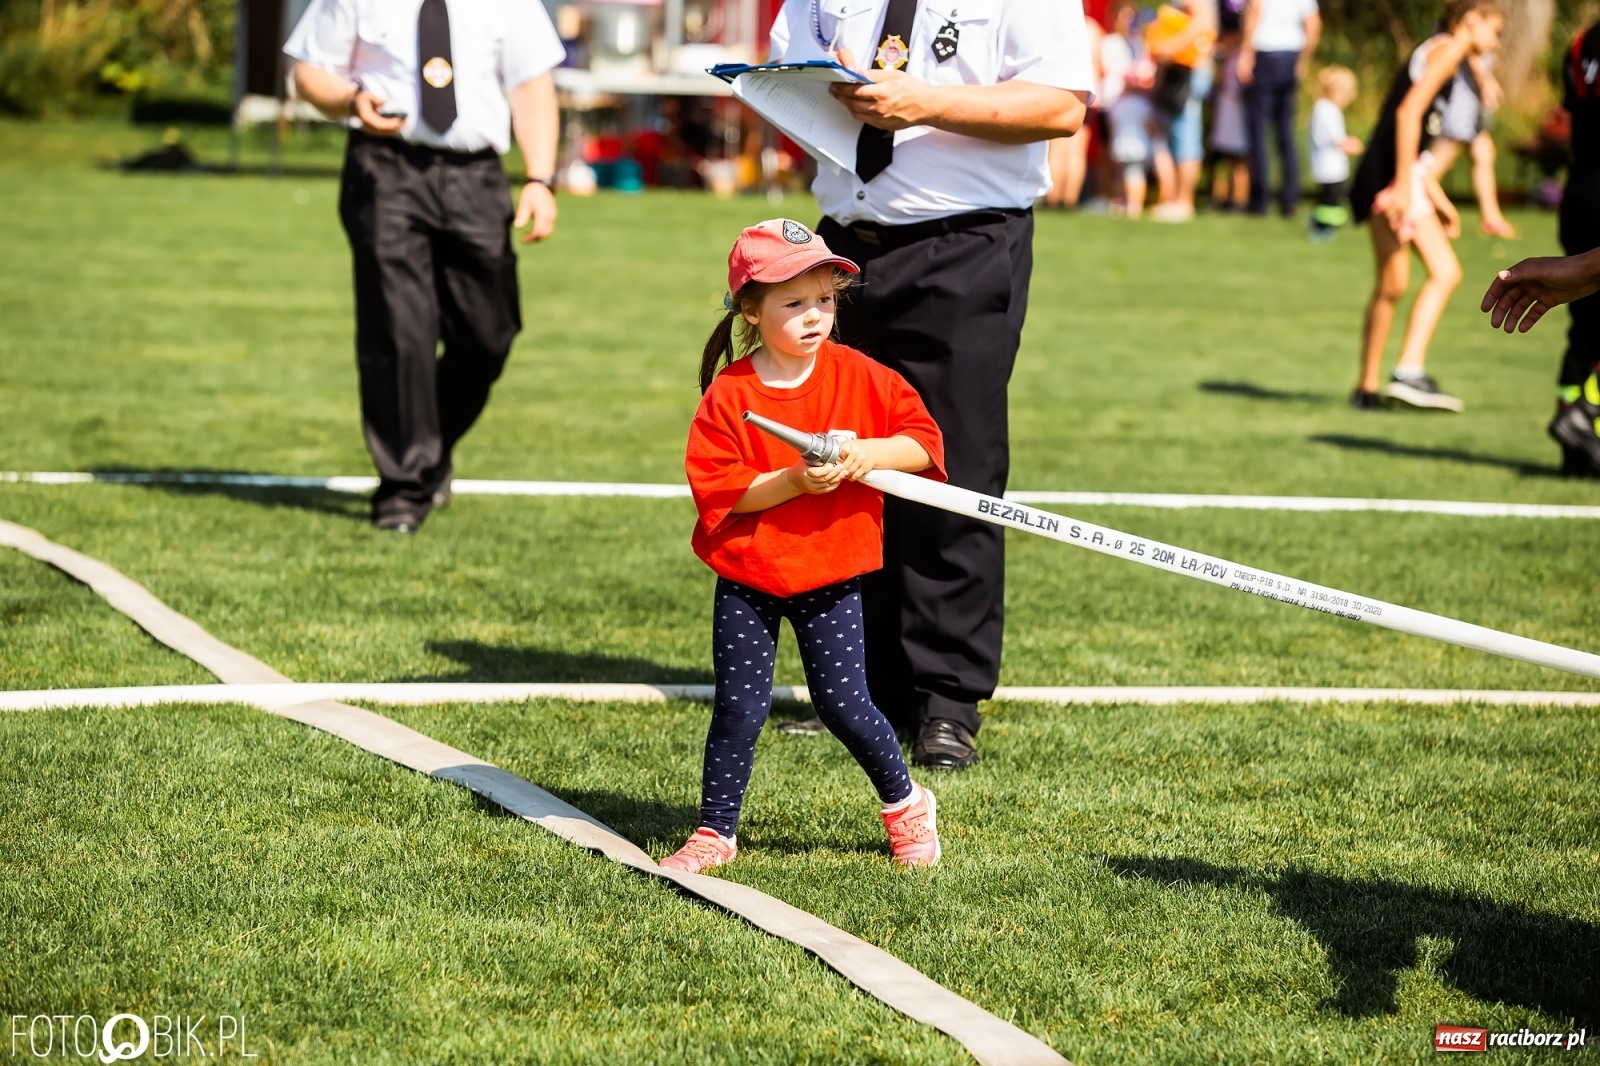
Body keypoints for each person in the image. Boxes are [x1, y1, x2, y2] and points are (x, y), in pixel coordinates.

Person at [764, 0, 1095, 769]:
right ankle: (861, 685)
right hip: (843, 247)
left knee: (951, 468)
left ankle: (948, 699)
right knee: (845, 468)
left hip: (964, 242)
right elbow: (787, 68)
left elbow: (1060, 106)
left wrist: (926, 102)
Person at [663, 220, 948, 875]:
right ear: (751, 311)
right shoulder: (731, 395)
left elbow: (923, 442)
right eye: (794, 304)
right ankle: (716, 831)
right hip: (749, 574)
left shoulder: (860, 376)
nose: (815, 315)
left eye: (825, 299)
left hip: (830, 570)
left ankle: (907, 804)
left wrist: (865, 453)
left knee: (845, 706)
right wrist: (795, 479)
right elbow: (724, 490)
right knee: (738, 707)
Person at [284, 0, 563, 533]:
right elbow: (309, 71)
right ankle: (404, 487)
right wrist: (349, 98)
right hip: (384, 167)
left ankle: (430, 446)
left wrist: (539, 179)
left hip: (477, 175)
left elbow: (531, 86)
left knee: (489, 332)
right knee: (399, 330)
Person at [1347, 0, 1502, 413]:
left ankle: (1366, 388)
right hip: (1391, 181)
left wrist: (1434, 193)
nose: (1496, 43)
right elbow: (1407, 115)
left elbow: (1420, 139)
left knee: (1395, 284)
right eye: (1495, 31)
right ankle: (1408, 372)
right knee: (1445, 272)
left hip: (1396, 177)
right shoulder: (1447, 49)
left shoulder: (1448, 55)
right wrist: (1402, 189)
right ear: (1470, 20)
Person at [1237, 0, 1320, 217]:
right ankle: (1290, 199)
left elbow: (1254, 13)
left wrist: (1245, 54)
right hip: (1290, 56)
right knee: (1285, 132)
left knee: (1259, 131)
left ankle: (1260, 198)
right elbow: (1313, 25)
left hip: (1265, 56)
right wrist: (1302, 60)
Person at [1147, 0, 1218, 222]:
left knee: (1186, 136)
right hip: (1178, 72)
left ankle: (1183, 202)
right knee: (1173, 135)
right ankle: (1173, 200)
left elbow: (1203, 25)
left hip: (1188, 73)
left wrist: (1168, 47)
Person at [1306, 65, 1361, 240]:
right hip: (1328, 166)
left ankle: (1324, 226)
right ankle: (1319, 225)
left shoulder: (1322, 108)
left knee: (1333, 198)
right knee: (1331, 199)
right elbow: (1336, 139)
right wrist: (1352, 145)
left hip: (1331, 165)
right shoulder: (1326, 110)